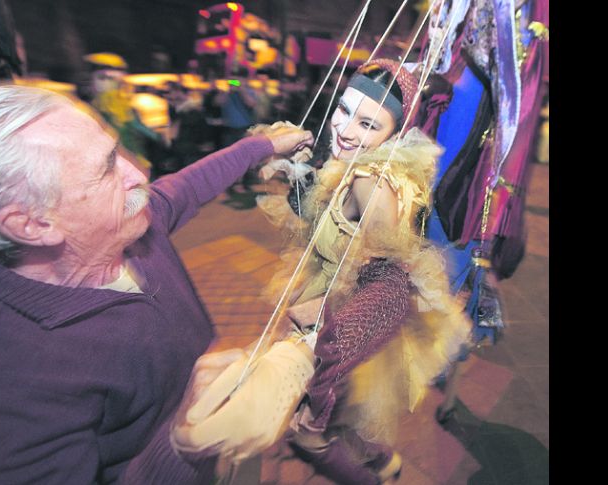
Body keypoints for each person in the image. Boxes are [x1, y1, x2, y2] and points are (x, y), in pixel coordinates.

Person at [0, 84, 312, 484]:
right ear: (32, 224)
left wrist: (264, 146)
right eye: (106, 169)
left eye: (116, 151)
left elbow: (185, 186)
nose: (140, 172)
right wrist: (181, 445)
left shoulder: (127, 222)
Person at [171, 60, 470, 484]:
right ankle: (383, 463)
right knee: (353, 417)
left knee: (311, 434)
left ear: (394, 133)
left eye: (368, 123)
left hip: (346, 321)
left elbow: (393, 279)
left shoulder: (372, 180)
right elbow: (326, 216)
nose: (346, 129)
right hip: (329, 302)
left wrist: (330, 317)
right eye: (344, 110)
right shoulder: (355, 161)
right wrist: (298, 175)